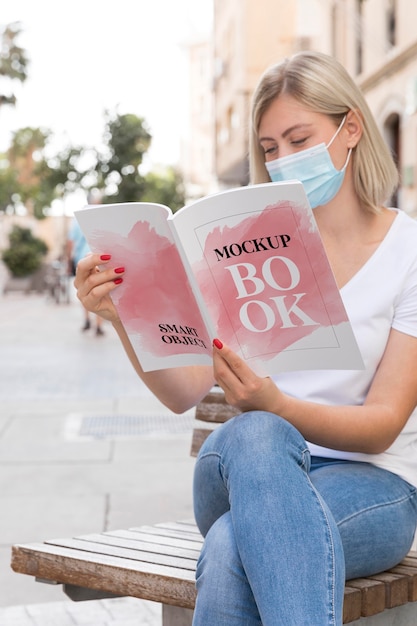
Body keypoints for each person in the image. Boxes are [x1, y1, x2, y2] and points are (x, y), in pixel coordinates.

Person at [74, 50, 417, 625]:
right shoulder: (241, 247)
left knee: (235, 545)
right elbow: (185, 390)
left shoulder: (409, 252)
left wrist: (277, 404)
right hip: (239, 469)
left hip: (375, 486)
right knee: (257, 434)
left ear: (351, 129)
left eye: (298, 138)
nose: (284, 160)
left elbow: (384, 421)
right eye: (270, 148)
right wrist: (124, 316)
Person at [67, 197, 105, 336]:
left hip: (82, 260)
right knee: (100, 292)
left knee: (85, 289)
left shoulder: (77, 220)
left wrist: (68, 260)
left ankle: (87, 319)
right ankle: (99, 325)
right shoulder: (101, 219)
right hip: (98, 258)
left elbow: (71, 242)